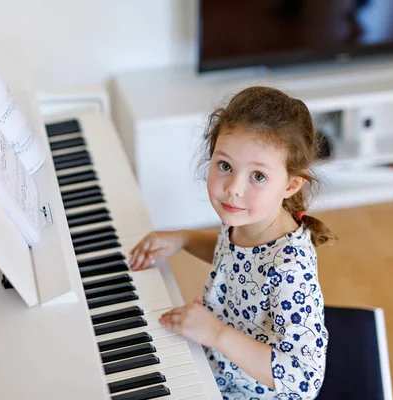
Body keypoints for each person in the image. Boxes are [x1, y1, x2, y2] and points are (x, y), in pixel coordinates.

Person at [129, 86, 336, 400]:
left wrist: (215, 333)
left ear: (291, 184)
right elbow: (237, 261)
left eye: (258, 176)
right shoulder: (247, 221)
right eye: (225, 166)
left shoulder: (289, 270)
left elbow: (303, 380)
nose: (233, 189)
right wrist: (184, 238)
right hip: (216, 362)